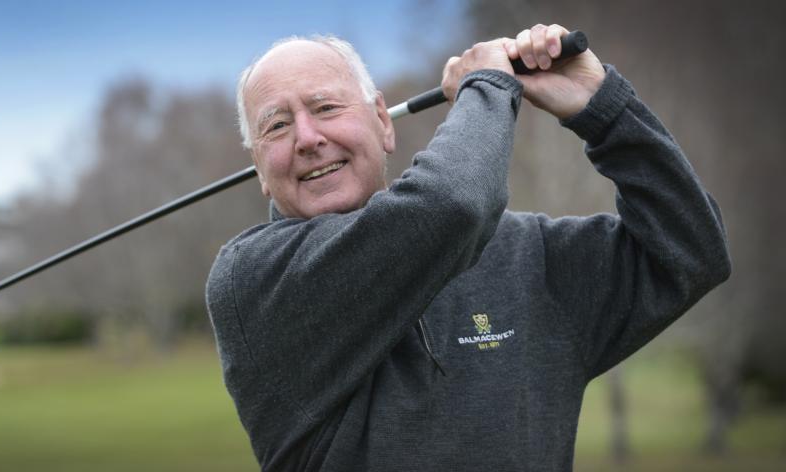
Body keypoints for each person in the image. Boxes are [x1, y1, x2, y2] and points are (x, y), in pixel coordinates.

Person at [206, 24, 730, 471]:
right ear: (259, 169)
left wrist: (604, 110)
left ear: (383, 123)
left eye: (325, 106)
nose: (306, 136)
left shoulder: (529, 256)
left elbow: (691, 248)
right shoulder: (251, 280)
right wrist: (489, 83)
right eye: (276, 125)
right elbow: (454, 205)